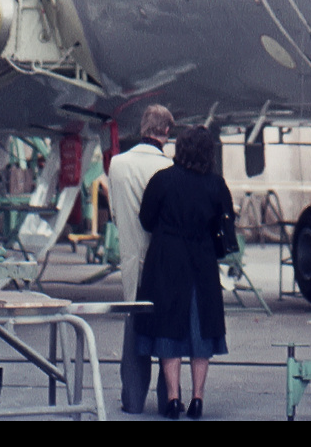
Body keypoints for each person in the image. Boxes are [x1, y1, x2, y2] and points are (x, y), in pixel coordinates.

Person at [136, 125, 234, 420]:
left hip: (167, 260)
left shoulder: (163, 180)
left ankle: (172, 399)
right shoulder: (216, 185)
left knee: (169, 329)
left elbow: (146, 219)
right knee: (200, 330)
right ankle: (198, 399)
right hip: (202, 262)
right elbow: (226, 228)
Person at [106, 103, 174, 415]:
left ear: (143, 128)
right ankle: (167, 398)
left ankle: (132, 400)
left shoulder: (117, 165)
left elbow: (116, 214)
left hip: (131, 258)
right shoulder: (169, 169)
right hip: (164, 263)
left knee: (134, 333)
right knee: (165, 334)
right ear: (166, 132)